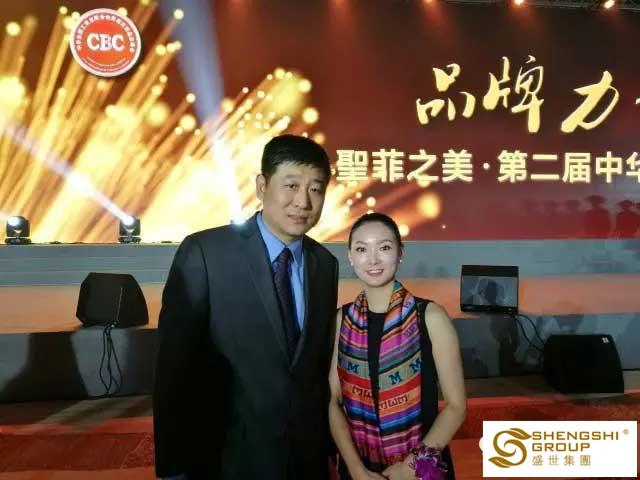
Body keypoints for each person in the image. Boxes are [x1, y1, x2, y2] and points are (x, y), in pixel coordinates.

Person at [154, 134, 339, 480]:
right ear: (261, 186)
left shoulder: (324, 264)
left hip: (304, 459)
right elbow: (173, 369)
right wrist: (173, 466)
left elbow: (314, 370)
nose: (303, 202)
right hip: (226, 458)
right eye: (291, 186)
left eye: (315, 189)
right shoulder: (205, 253)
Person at [329, 213, 466, 480]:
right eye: (361, 249)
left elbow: (456, 406)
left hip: (421, 467)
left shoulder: (431, 317)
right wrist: (356, 470)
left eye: (384, 247)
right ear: (350, 256)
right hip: (360, 467)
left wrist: (410, 467)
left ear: (400, 252)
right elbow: (331, 402)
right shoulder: (341, 320)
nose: (373, 259)